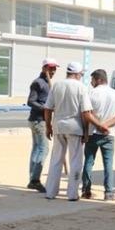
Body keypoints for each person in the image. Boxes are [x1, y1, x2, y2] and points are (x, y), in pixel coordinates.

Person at [43, 62, 107, 201]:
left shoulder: (57, 86)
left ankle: (51, 192)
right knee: (75, 161)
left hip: (58, 126)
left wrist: (48, 126)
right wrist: (85, 131)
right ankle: (72, 194)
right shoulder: (81, 88)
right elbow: (85, 112)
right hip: (75, 127)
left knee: (56, 160)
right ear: (78, 74)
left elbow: (47, 109)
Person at [82, 69, 115, 201]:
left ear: (99, 80)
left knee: (89, 162)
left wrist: (97, 126)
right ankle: (109, 193)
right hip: (109, 134)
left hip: (92, 133)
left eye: (93, 80)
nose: (91, 82)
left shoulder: (91, 94)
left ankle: (86, 191)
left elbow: (86, 114)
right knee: (108, 164)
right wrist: (107, 125)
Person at [26, 58, 57, 193]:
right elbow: (31, 101)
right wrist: (45, 108)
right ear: (44, 68)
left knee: (37, 148)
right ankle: (35, 180)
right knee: (43, 149)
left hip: (41, 120)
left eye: (54, 68)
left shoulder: (49, 84)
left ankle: (33, 178)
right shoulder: (38, 83)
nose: (53, 71)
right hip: (38, 120)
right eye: (51, 68)